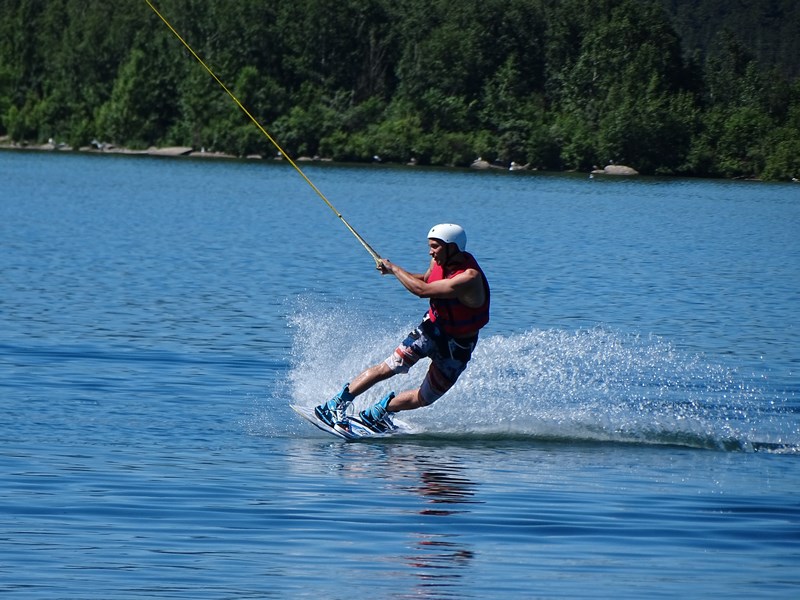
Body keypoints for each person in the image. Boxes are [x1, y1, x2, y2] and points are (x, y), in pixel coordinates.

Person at [315, 223, 490, 432]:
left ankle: (380, 411)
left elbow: (422, 290)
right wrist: (394, 273)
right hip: (431, 330)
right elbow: (427, 280)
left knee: (427, 396)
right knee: (389, 366)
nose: (430, 251)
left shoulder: (469, 278)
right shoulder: (439, 261)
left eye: (435, 246)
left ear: (452, 247)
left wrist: (394, 269)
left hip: (458, 346)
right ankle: (335, 404)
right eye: (430, 246)